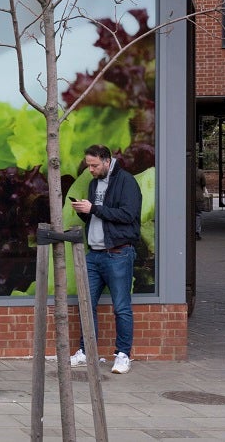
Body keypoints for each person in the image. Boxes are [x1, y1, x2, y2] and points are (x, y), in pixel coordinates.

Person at [69, 144, 142, 375]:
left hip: (119, 253)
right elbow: (97, 216)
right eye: (88, 165)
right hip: (95, 254)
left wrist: (95, 209)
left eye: (94, 165)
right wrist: (85, 211)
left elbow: (128, 215)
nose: (90, 169)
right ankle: (86, 351)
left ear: (107, 161)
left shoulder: (126, 182)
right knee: (86, 304)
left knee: (121, 307)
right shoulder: (93, 184)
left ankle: (123, 355)